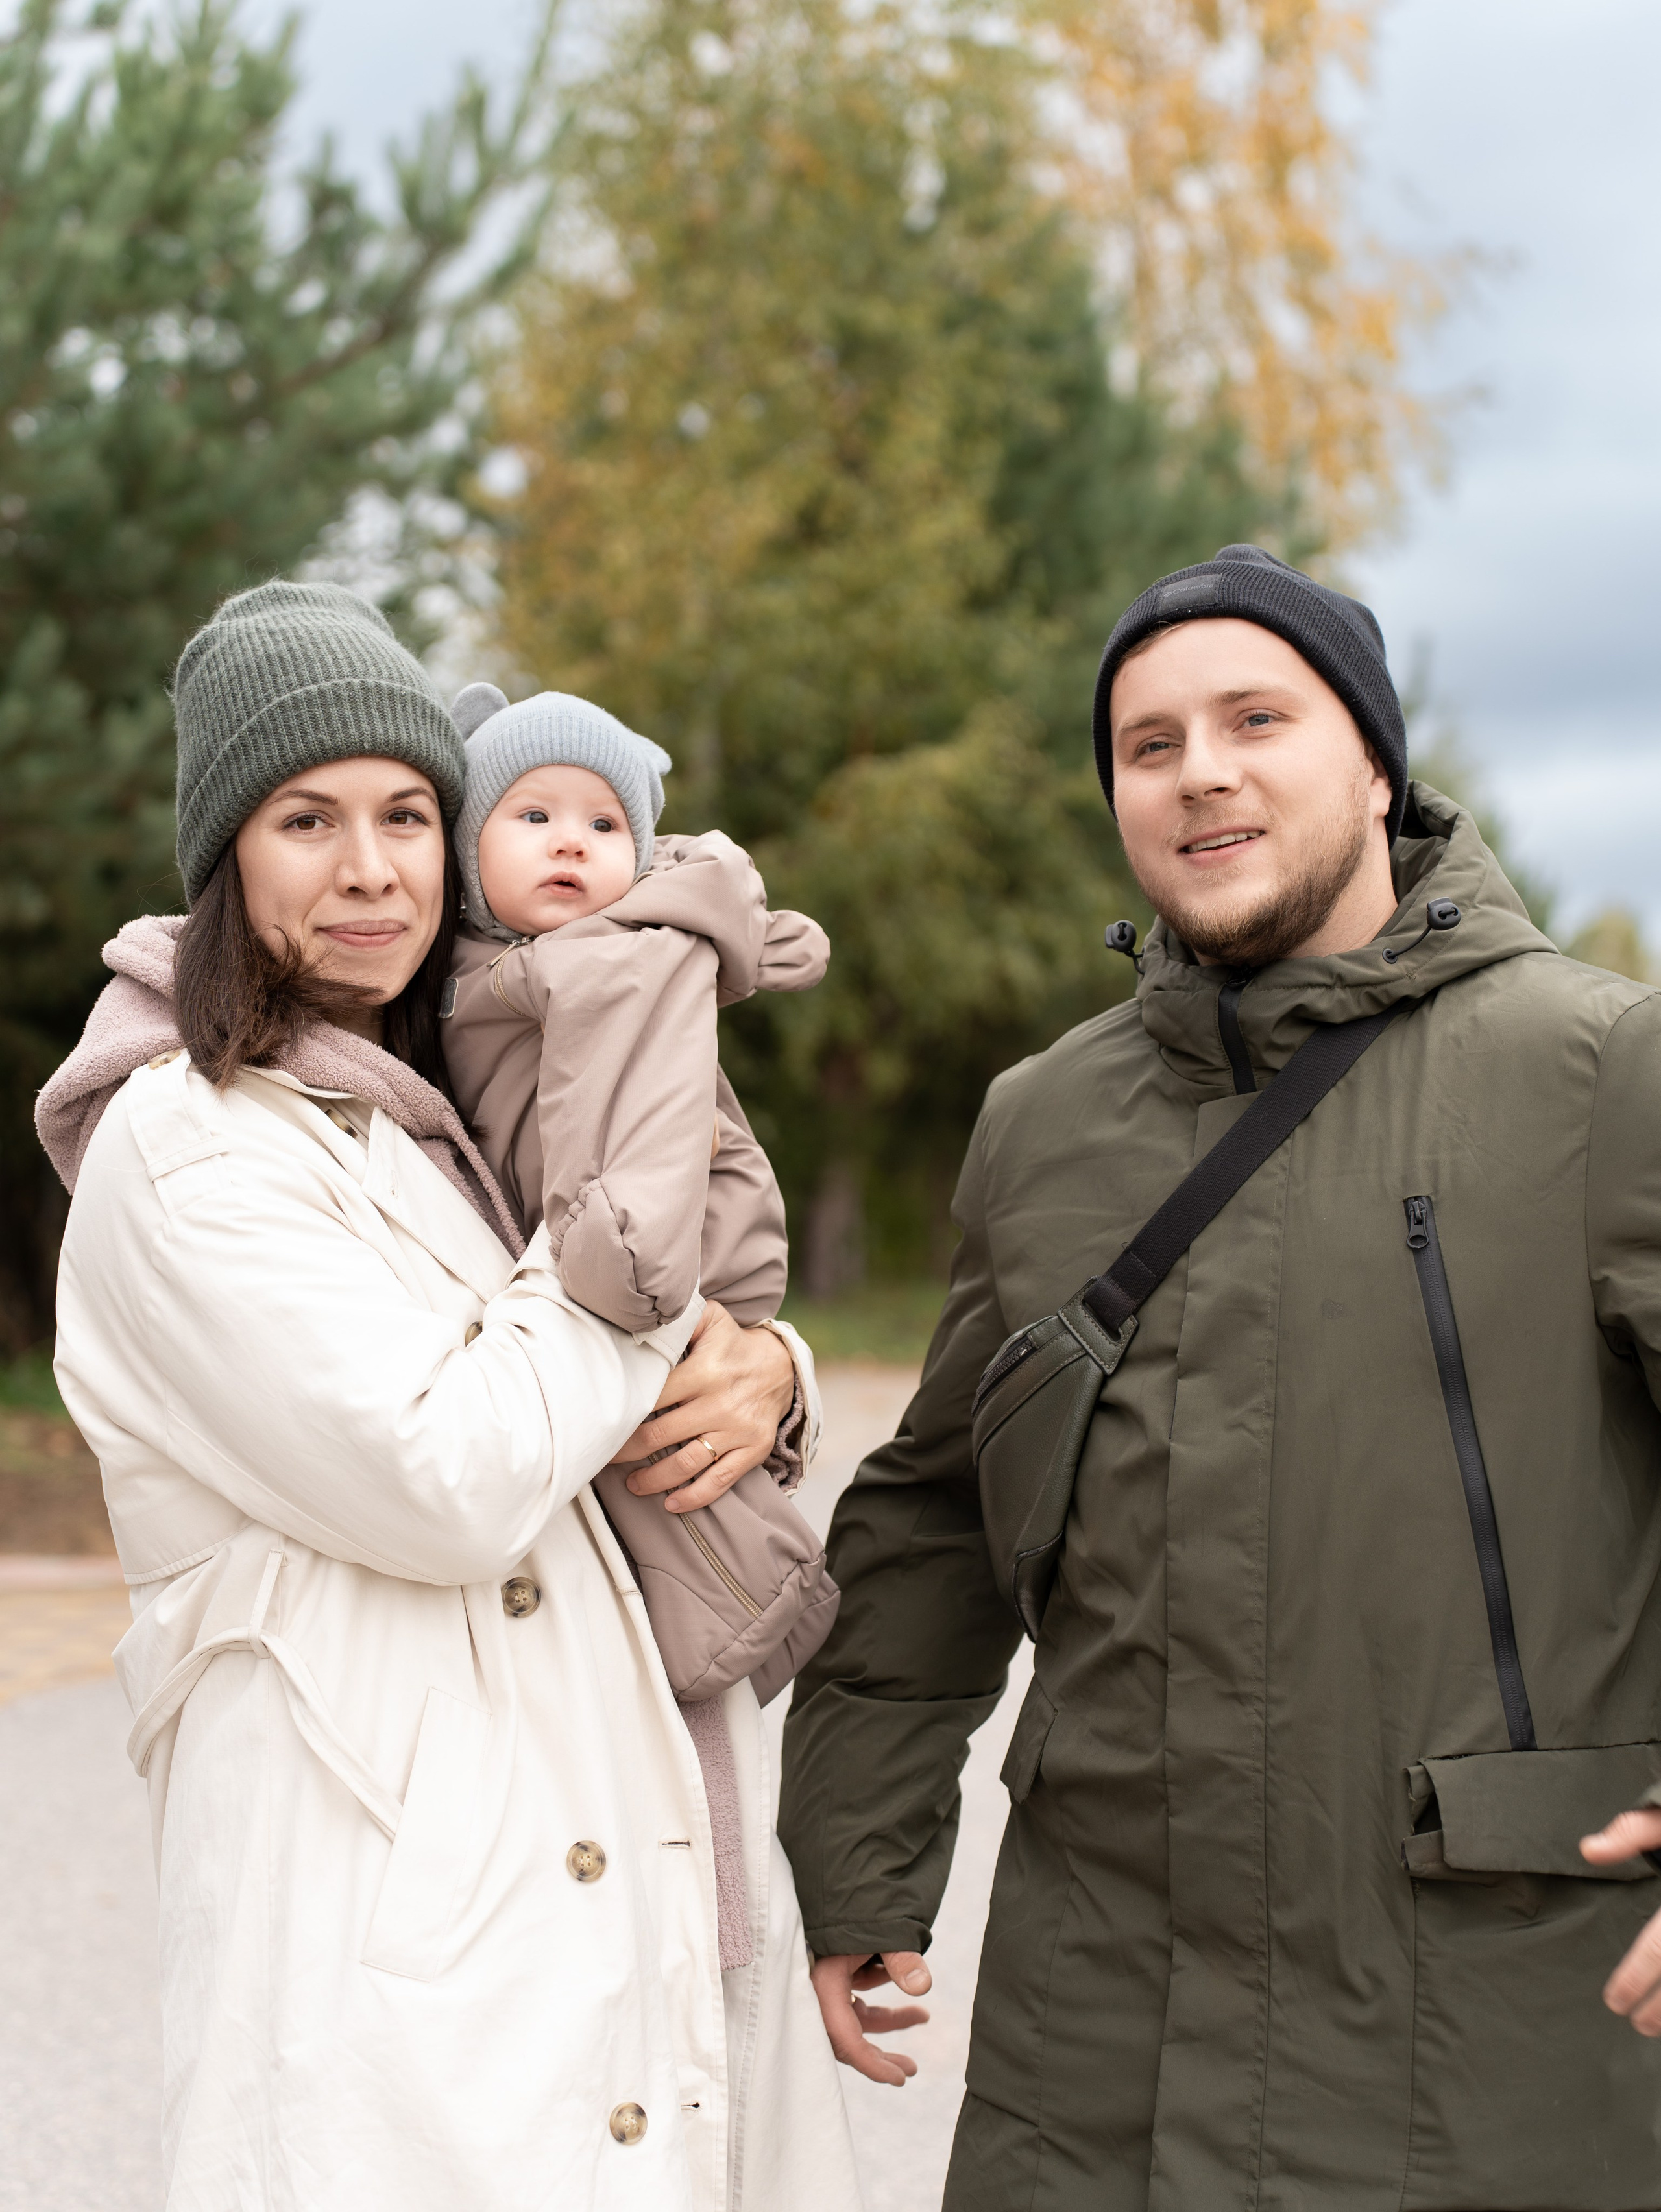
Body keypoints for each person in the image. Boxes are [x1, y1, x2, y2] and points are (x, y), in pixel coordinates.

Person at [779, 542, 1661, 2210]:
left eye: (1255, 716)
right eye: (1148, 742)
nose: (1201, 773)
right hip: (1087, 2061)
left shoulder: (1595, 1069)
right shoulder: (1041, 1121)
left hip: (1481, 2056)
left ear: (1374, 760)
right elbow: (930, 1529)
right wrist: (856, 1860)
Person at [36, 580, 864, 2212]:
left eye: (409, 813)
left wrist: (773, 1372)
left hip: (625, 1937)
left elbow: (619, 1366)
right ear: (224, 859)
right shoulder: (185, 1147)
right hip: (401, 2012)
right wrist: (644, 1274)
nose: (370, 868)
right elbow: (452, 1466)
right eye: (306, 818)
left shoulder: (450, 1105)